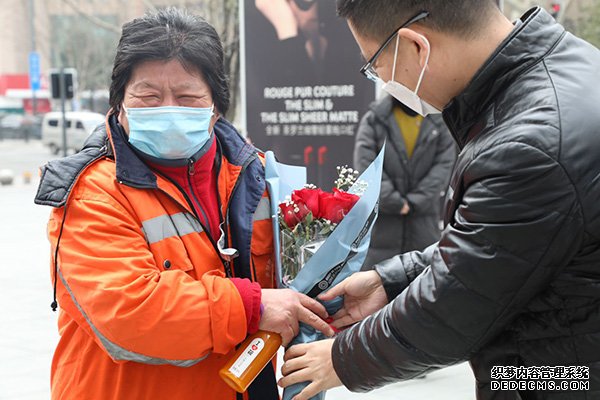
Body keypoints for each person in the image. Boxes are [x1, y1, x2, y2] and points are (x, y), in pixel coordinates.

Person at [279, 1, 600, 399]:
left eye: (374, 64)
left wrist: (340, 358)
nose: (379, 79)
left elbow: (457, 310)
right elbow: (503, 250)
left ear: (416, 46)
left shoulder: (529, 141)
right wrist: (391, 282)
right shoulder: (563, 70)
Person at [34, 8, 333, 400]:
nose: (167, 109)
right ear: (119, 104)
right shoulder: (90, 193)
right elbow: (129, 313)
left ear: (215, 108)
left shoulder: (259, 178)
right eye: (148, 96)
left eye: (187, 96)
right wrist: (251, 307)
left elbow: (294, 281)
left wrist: (327, 300)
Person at [354, 94, 455, 267]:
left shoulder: (440, 121)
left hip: (424, 227)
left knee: (422, 285)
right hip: (382, 230)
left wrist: (414, 202)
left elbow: (443, 169)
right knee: (375, 286)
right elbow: (367, 167)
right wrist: (394, 202)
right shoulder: (375, 118)